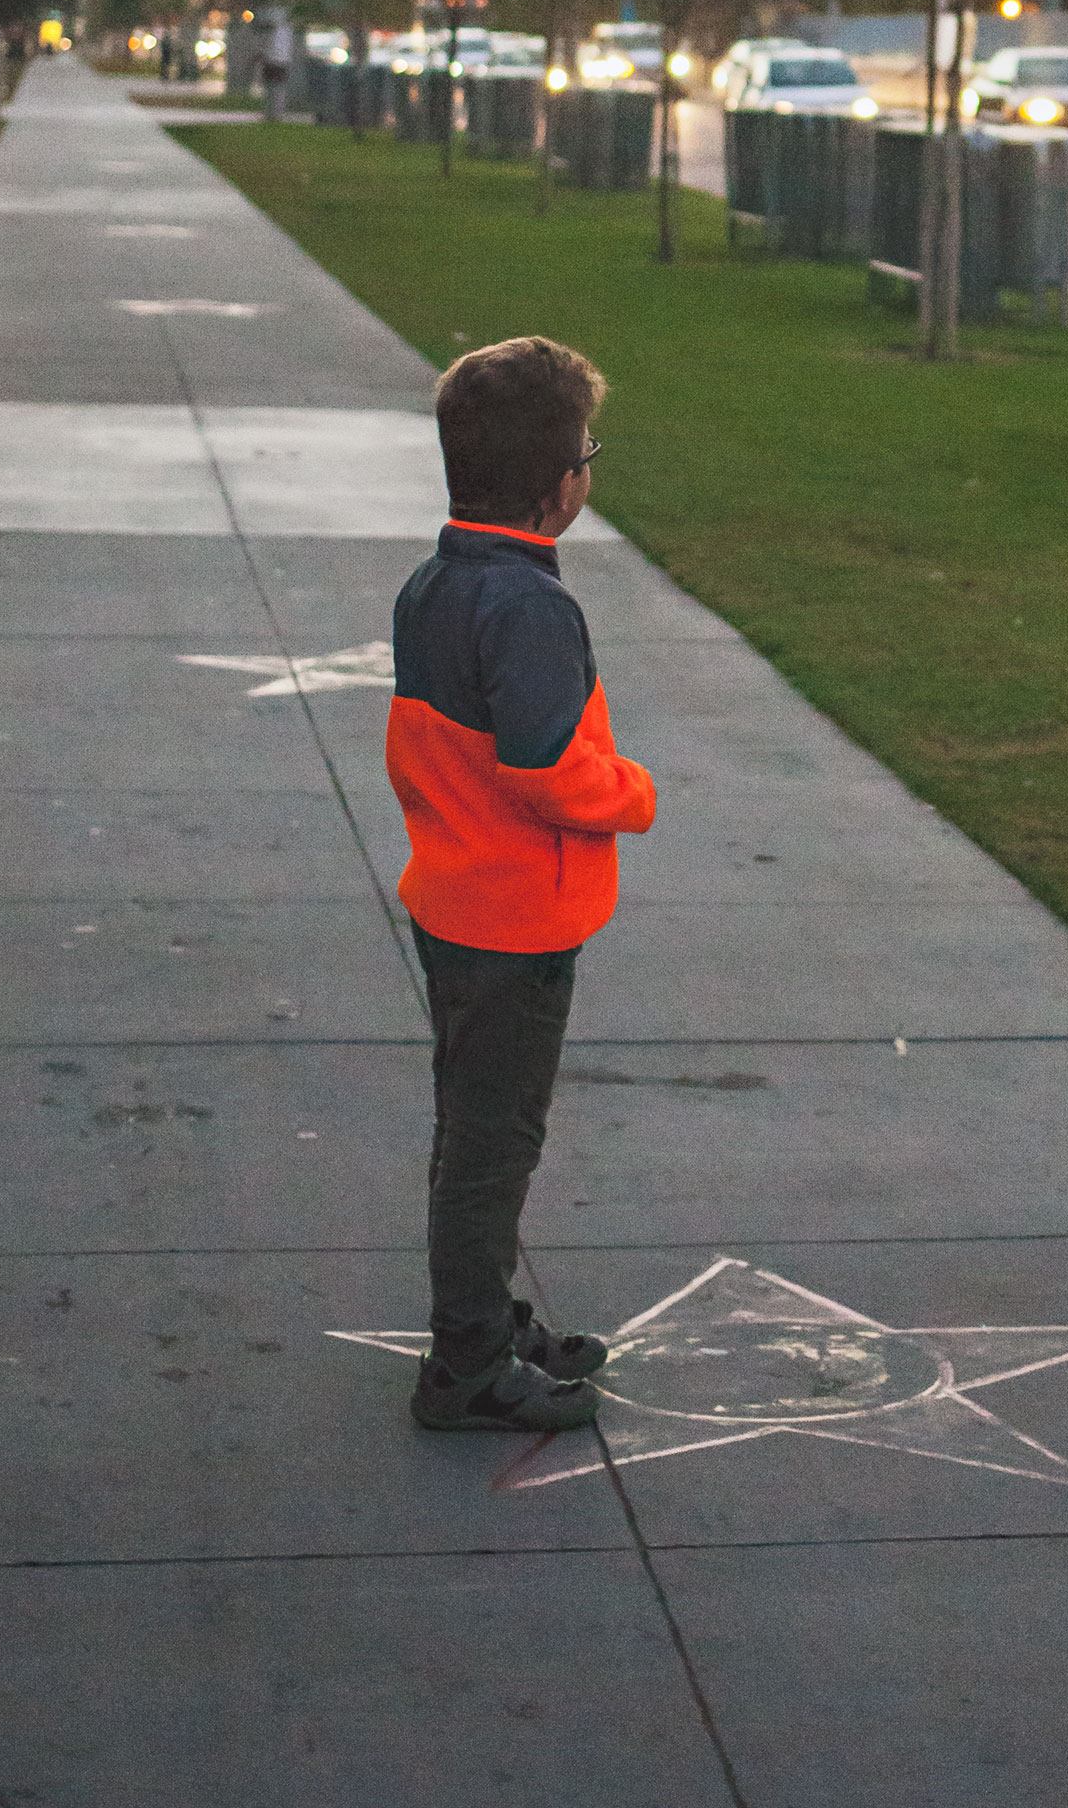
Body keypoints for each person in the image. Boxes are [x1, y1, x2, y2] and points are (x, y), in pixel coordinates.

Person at [387, 336, 657, 1433]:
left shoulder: (438, 582)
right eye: (589, 450)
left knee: (477, 1126)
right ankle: (466, 1364)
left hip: (458, 903)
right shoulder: (532, 608)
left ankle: (487, 1319)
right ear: (561, 487)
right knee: (493, 1145)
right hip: (512, 923)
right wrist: (632, 790)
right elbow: (551, 773)